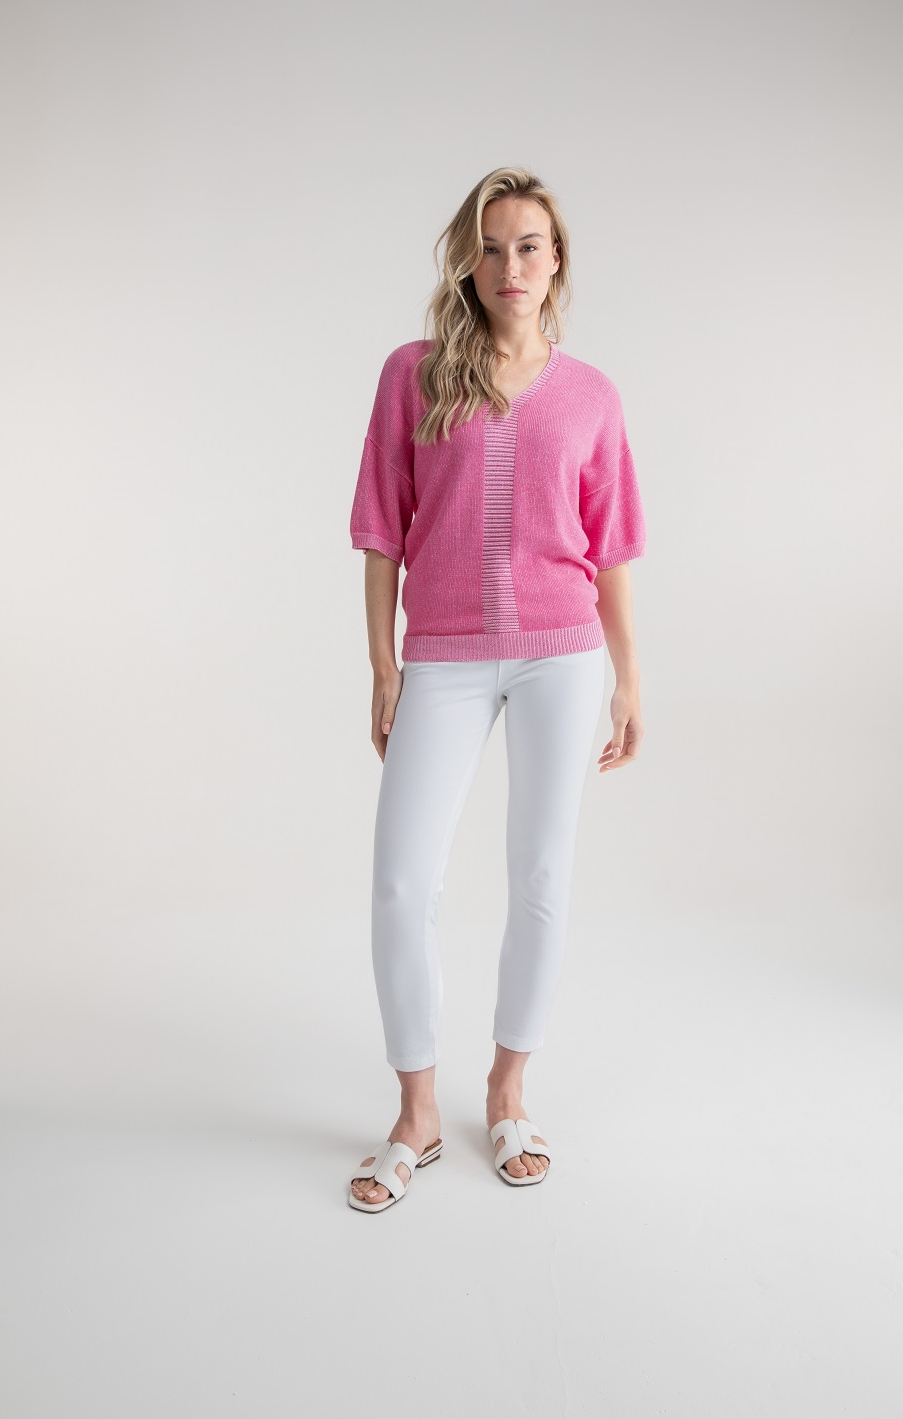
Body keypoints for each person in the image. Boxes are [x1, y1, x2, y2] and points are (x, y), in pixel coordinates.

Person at [346, 167, 646, 1212]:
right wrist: (383, 664)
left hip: (565, 655)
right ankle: (416, 1112)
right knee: (400, 883)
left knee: (542, 875)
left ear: (555, 262)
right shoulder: (414, 374)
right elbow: (381, 528)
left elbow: (611, 548)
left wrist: (629, 679)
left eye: (528, 246)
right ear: (467, 263)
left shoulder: (592, 395)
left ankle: (508, 1090)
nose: (509, 264)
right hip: (443, 655)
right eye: (490, 246)